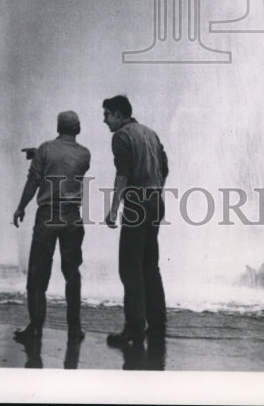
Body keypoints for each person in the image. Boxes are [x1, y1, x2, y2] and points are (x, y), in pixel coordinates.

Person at [12, 110, 90, 344]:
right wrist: (41, 156)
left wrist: (21, 207)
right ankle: (74, 329)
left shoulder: (45, 149)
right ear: (78, 129)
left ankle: (35, 329)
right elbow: (67, 166)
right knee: (72, 274)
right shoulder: (85, 154)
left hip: (48, 216)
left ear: (58, 128)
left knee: (37, 275)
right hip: (72, 218)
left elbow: (35, 180)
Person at [103, 94, 168, 349]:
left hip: (137, 204)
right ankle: (158, 325)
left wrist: (113, 209)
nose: (105, 120)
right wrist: (155, 190)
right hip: (156, 202)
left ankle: (133, 329)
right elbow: (165, 167)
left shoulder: (121, 136)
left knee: (129, 268)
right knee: (150, 266)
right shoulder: (150, 133)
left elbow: (123, 173)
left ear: (119, 114)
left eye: (107, 114)